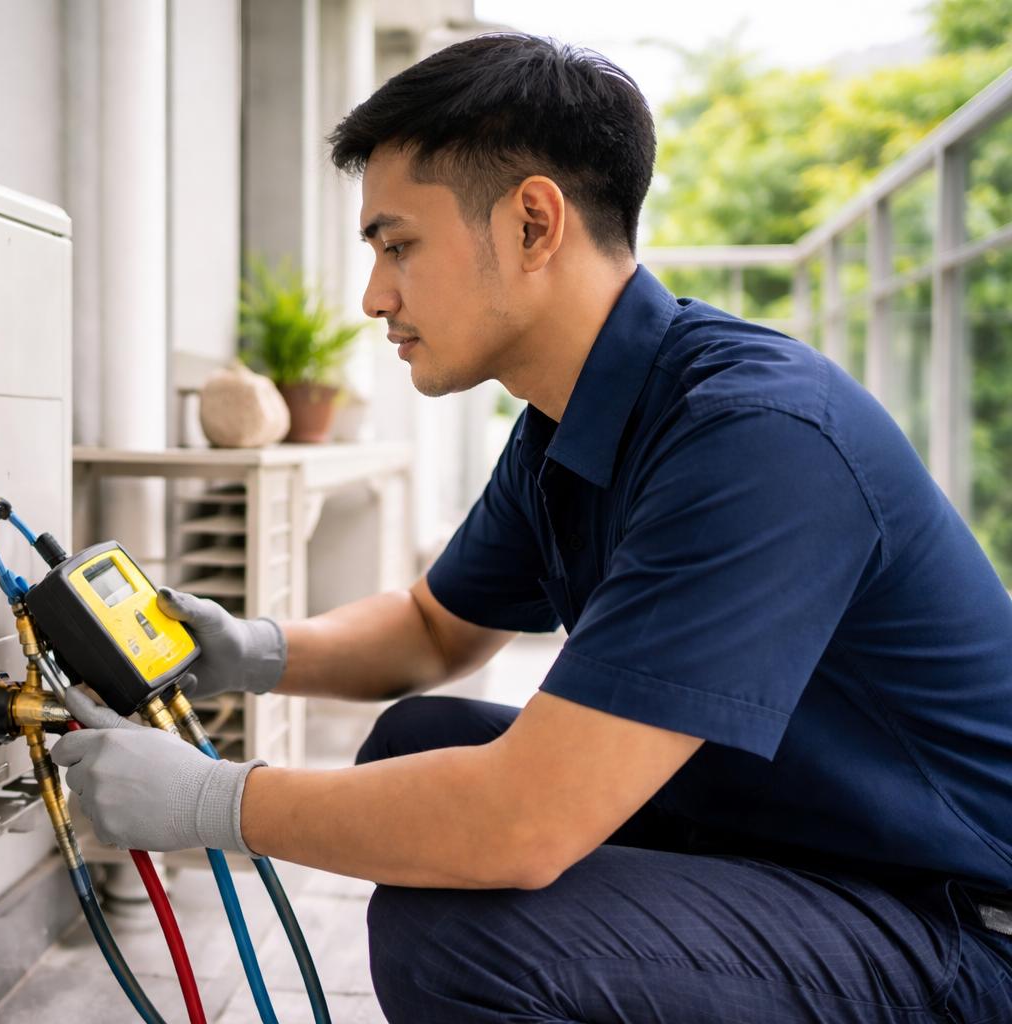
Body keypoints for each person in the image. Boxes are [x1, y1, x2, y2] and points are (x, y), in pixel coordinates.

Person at [51, 33, 1012, 1022]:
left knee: (465, 942)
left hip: (957, 922)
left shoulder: (757, 437)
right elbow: (436, 628)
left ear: (533, 223)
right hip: (793, 841)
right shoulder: (570, 423)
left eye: (397, 245)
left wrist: (213, 799)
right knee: (418, 741)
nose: (376, 296)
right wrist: (251, 653)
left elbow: (523, 820)